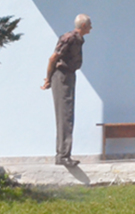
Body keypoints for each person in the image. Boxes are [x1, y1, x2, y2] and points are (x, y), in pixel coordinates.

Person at [41, 13, 92, 167]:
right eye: (89, 24)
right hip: (62, 76)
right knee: (65, 115)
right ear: (83, 26)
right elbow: (53, 58)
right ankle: (63, 155)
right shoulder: (69, 38)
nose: (91, 27)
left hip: (69, 76)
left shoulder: (79, 39)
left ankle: (63, 154)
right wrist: (48, 78)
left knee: (68, 114)